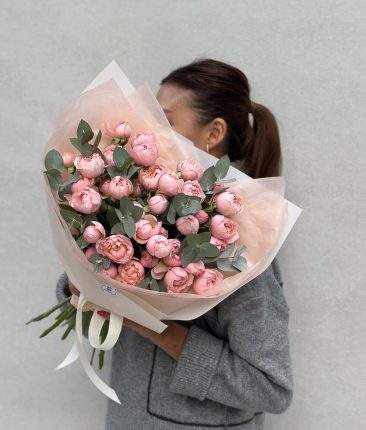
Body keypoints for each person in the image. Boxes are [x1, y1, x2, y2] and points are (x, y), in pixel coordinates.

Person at [55, 58, 293, 429]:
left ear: (214, 132)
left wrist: (151, 324)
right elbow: (93, 310)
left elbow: (270, 388)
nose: (148, 133)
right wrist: (84, 281)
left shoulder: (242, 247)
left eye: (163, 121)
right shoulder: (141, 209)